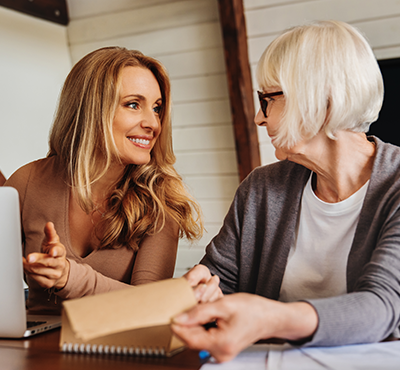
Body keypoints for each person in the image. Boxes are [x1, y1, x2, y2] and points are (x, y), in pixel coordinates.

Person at [172, 20, 400, 362]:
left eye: (268, 99)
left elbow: (382, 306)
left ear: (320, 100)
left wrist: (267, 318)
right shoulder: (260, 189)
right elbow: (220, 284)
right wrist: (205, 293)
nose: (258, 119)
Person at [5, 47, 204, 314]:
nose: (153, 123)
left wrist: (68, 277)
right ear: (90, 109)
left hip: (115, 352)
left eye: (157, 108)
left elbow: (152, 306)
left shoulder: (162, 201)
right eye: (134, 104)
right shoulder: (27, 182)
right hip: (31, 349)